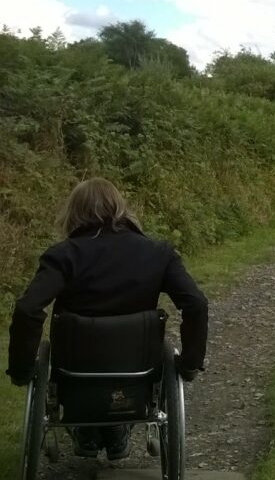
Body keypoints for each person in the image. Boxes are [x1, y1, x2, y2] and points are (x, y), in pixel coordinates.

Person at [6, 177, 209, 460]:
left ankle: (88, 428)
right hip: (138, 370)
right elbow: (196, 304)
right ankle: (115, 426)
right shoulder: (158, 254)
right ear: (120, 208)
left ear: (74, 213)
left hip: (74, 373)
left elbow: (28, 310)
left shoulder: (64, 256)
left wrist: (22, 370)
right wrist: (189, 364)